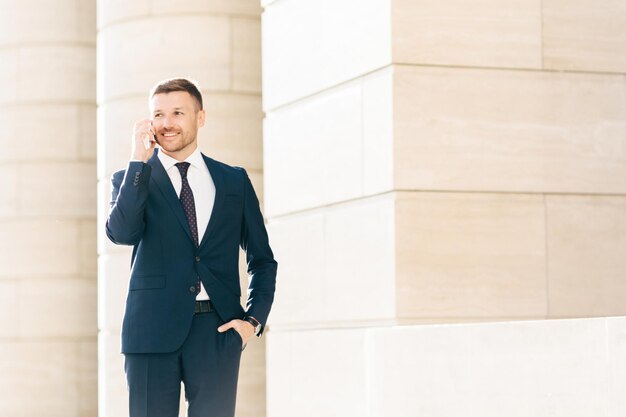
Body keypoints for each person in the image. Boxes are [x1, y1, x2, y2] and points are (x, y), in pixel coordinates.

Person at [106, 77, 277, 417]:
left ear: (200, 117)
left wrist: (252, 320)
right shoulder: (131, 179)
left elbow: (262, 259)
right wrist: (138, 161)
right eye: (158, 114)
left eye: (177, 112)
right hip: (150, 332)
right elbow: (121, 233)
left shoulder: (233, 181)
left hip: (217, 332)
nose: (167, 123)